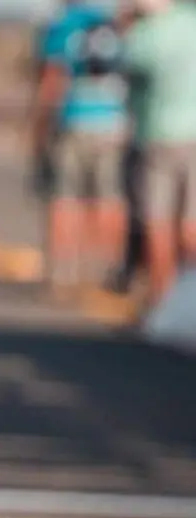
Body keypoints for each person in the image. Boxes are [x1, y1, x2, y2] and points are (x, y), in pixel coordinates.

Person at [32, 0, 130, 293]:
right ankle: (109, 268)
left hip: (73, 118)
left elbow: (53, 78)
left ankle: (62, 270)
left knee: (64, 197)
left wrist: (39, 124)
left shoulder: (63, 26)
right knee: (110, 198)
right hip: (114, 121)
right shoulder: (114, 24)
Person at [121, 0, 196, 311]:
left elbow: (127, 68)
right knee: (191, 224)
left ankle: (162, 302)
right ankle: (189, 302)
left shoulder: (148, 32)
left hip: (157, 134)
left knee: (158, 222)